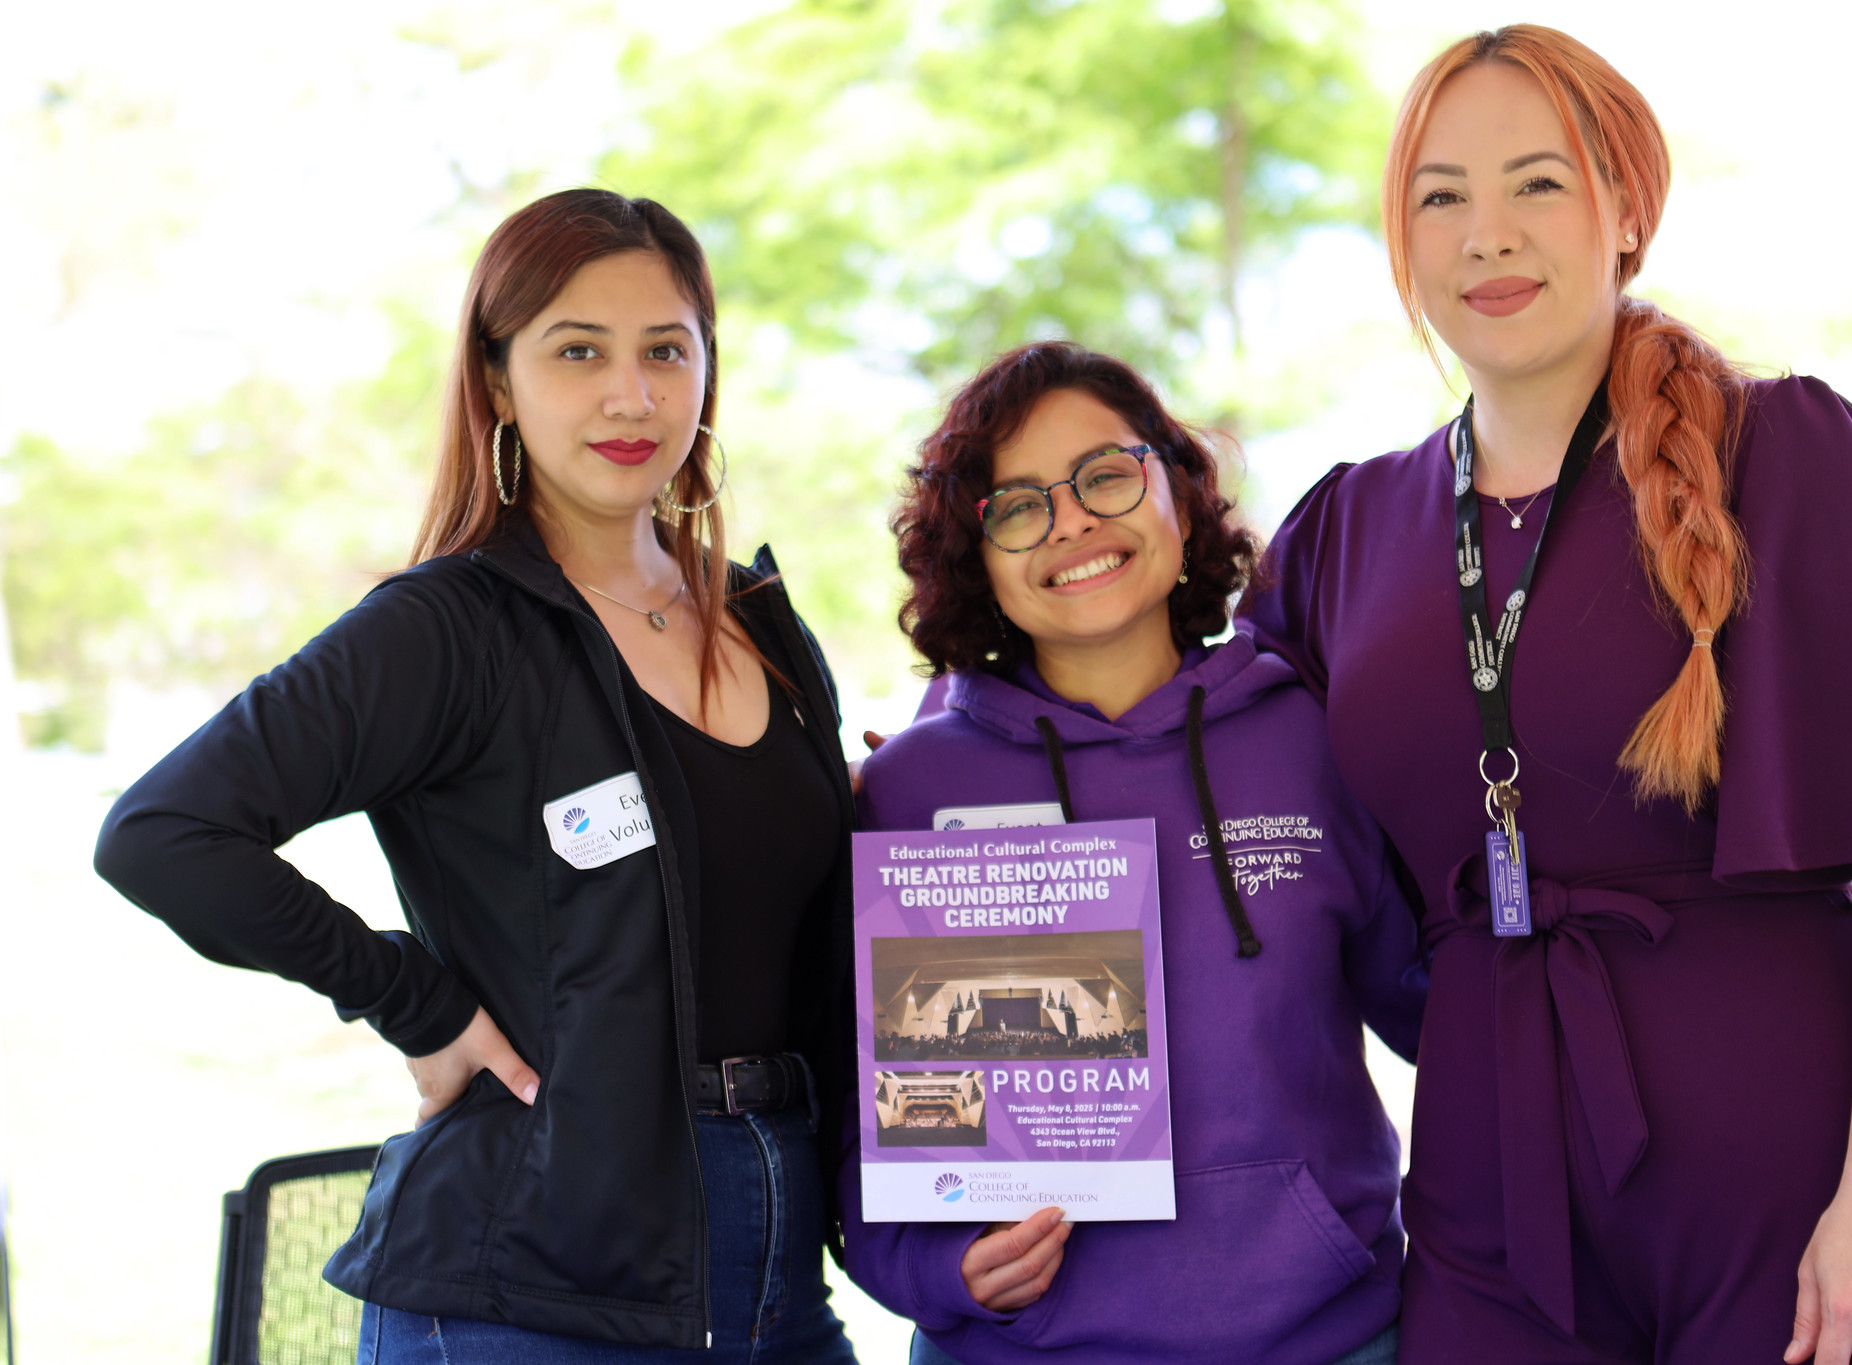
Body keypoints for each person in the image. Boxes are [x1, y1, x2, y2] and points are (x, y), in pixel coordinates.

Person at [1244, 27, 1852, 1365]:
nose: (1487, 235)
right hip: (1489, 1199)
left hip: (1803, 1189)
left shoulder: (1782, 451)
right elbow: (1204, 772)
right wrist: (925, 798)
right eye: (1441, 196)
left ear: (1626, 209)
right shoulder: (1341, 532)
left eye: (1536, 184)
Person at [93, 189, 860, 1363]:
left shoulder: (757, 619)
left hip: (773, 1275)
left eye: (666, 349)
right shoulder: (447, 627)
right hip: (528, 1292)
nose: (629, 394)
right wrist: (415, 999)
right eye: (575, 352)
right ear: (498, 380)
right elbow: (164, 833)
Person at [843, 341, 1426, 1365]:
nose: (1070, 521)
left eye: (1105, 475)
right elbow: (850, 1106)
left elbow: (1441, 1011)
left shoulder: (1311, 732)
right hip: (1022, 1350)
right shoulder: (911, 790)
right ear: (971, 555)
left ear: (1175, 486)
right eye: (1015, 505)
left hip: (1326, 1339)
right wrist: (935, 1265)